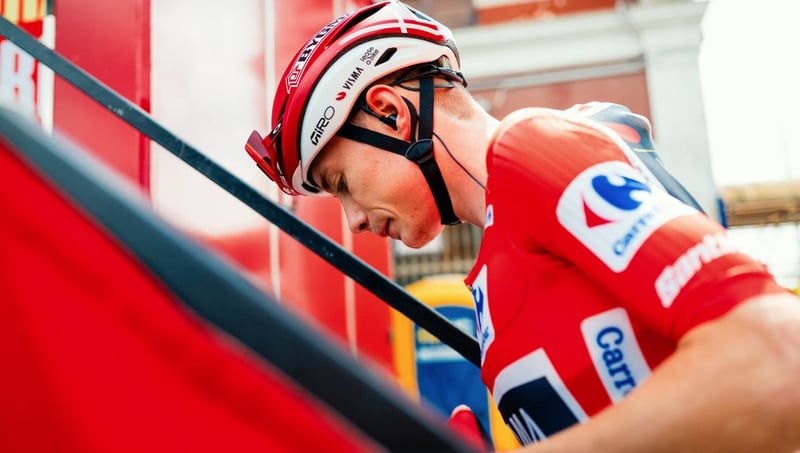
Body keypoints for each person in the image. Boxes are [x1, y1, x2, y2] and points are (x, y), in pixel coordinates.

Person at [244, 1, 800, 451]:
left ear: (392, 112)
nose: (354, 219)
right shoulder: (492, 273)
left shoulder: (528, 150)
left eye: (341, 182)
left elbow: (778, 353)